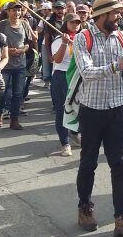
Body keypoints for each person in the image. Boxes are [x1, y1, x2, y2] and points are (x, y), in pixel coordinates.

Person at [73, 0, 123, 235]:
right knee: (88, 163)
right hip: (92, 110)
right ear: (101, 14)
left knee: (120, 165)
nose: (120, 16)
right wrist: (118, 66)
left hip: (118, 109)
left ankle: (122, 216)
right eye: (115, 13)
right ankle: (85, 207)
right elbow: (87, 72)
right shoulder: (84, 38)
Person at [0, 2, 34, 130]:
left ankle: (14, 119)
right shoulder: (1, 25)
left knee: (18, 93)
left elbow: (29, 42)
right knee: (1, 92)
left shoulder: (24, 24)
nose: (16, 13)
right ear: (7, 11)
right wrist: (6, 50)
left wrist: (23, 50)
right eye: (14, 10)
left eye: (19, 11)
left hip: (20, 65)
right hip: (5, 65)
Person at [50, 13, 81, 157]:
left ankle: (74, 133)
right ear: (66, 23)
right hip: (61, 76)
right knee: (62, 111)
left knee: (78, 108)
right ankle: (65, 143)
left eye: (78, 22)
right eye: (72, 22)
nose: (75, 25)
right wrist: (64, 43)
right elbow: (57, 60)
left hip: (77, 76)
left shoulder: (80, 39)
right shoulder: (58, 39)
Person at [39, 1, 65, 88]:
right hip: (53, 48)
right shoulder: (50, 22)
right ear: (54, 10)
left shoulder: (68, 21)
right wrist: (49, 54)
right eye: (58, 9)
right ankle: (49, 81)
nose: (60, 11)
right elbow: (47, 39)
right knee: (50, 66)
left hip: (65, 48)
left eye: (61, 8)